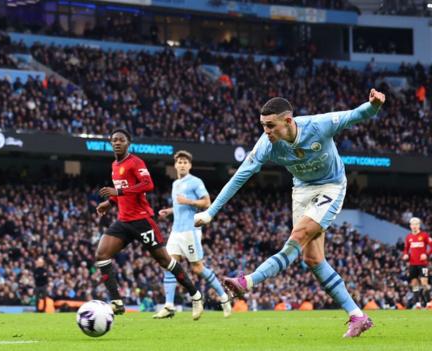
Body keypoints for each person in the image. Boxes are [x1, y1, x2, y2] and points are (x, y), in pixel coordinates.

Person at [194, 89, 386, 337]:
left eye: (270, 125)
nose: (266, 131)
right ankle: (358, 316)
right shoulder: (266, 144)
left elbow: (354, 115)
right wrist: (211, 212)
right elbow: (240, 176)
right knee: (313, 260)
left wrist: (373, 106)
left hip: (331, 186)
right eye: (263, 125)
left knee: (298, 235)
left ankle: (247, 281)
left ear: (287, 121)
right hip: (301, 190)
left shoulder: (318, 125)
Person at [95, 129, 204, 320]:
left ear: (128, 143)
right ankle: (117, 302)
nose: (117, 143)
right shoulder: (114, 165)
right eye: (114, 140)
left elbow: (147, 184)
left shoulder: (135, 162)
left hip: (141, 220)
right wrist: (110, 202)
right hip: (123, 220)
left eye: (121, 140)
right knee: (102, 254)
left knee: (166, 261)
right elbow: (124, 191)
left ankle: (196, 295)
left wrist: (117, 193)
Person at [153, 150, 232, 319]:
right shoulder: (175, 184)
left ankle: (224, 298)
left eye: (185, 162)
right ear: (175, 165)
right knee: (169, 265)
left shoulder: (196, 182)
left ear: (189, 165)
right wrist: (170, 210)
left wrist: (187, 201)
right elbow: (180, 207)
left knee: (197, 268)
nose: (182, 164)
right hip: (176, 231)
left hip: (190, 231)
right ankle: (169, 305)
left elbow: (207, 202)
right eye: (179, 162)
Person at [402, 217, 432, 308]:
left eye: (416, 224)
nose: (414, 226)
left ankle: (428, 302)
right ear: (410, 226)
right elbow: (406, 249)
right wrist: (406, 254)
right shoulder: (408, 237)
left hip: (423, 264)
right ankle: (417, 303)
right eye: (413, 224)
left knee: (424, 283)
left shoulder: (424, 235)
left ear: (419, 225)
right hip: (412, 264)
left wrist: (426, 254)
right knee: (414, 284)